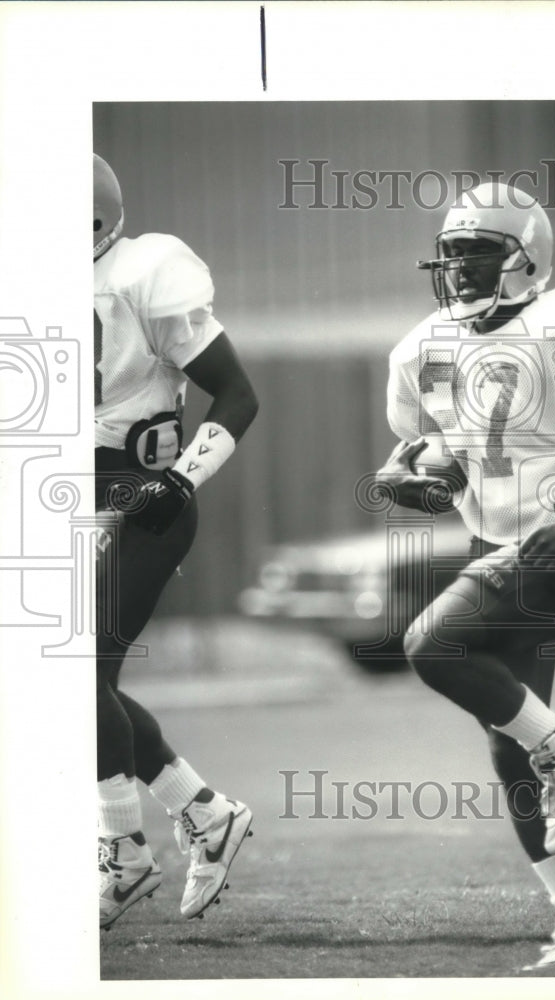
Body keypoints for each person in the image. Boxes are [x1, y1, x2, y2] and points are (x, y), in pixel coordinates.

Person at [377, 181, 555, 969]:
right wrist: (410, 483)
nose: (461, 267)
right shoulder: (423, 348)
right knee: (512, 745)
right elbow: (436, 459)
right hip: (498, 543)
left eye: (479, 250)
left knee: (431, 647)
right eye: (452, 253)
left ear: (527, 256)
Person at [93, 153, 259, 930]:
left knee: (73, 675)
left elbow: (238, 393)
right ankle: (202, 809)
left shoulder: (137, 273)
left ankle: (124, 853)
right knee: (70, 681)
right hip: (67, 503)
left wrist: (185, 478)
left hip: (141, 500)